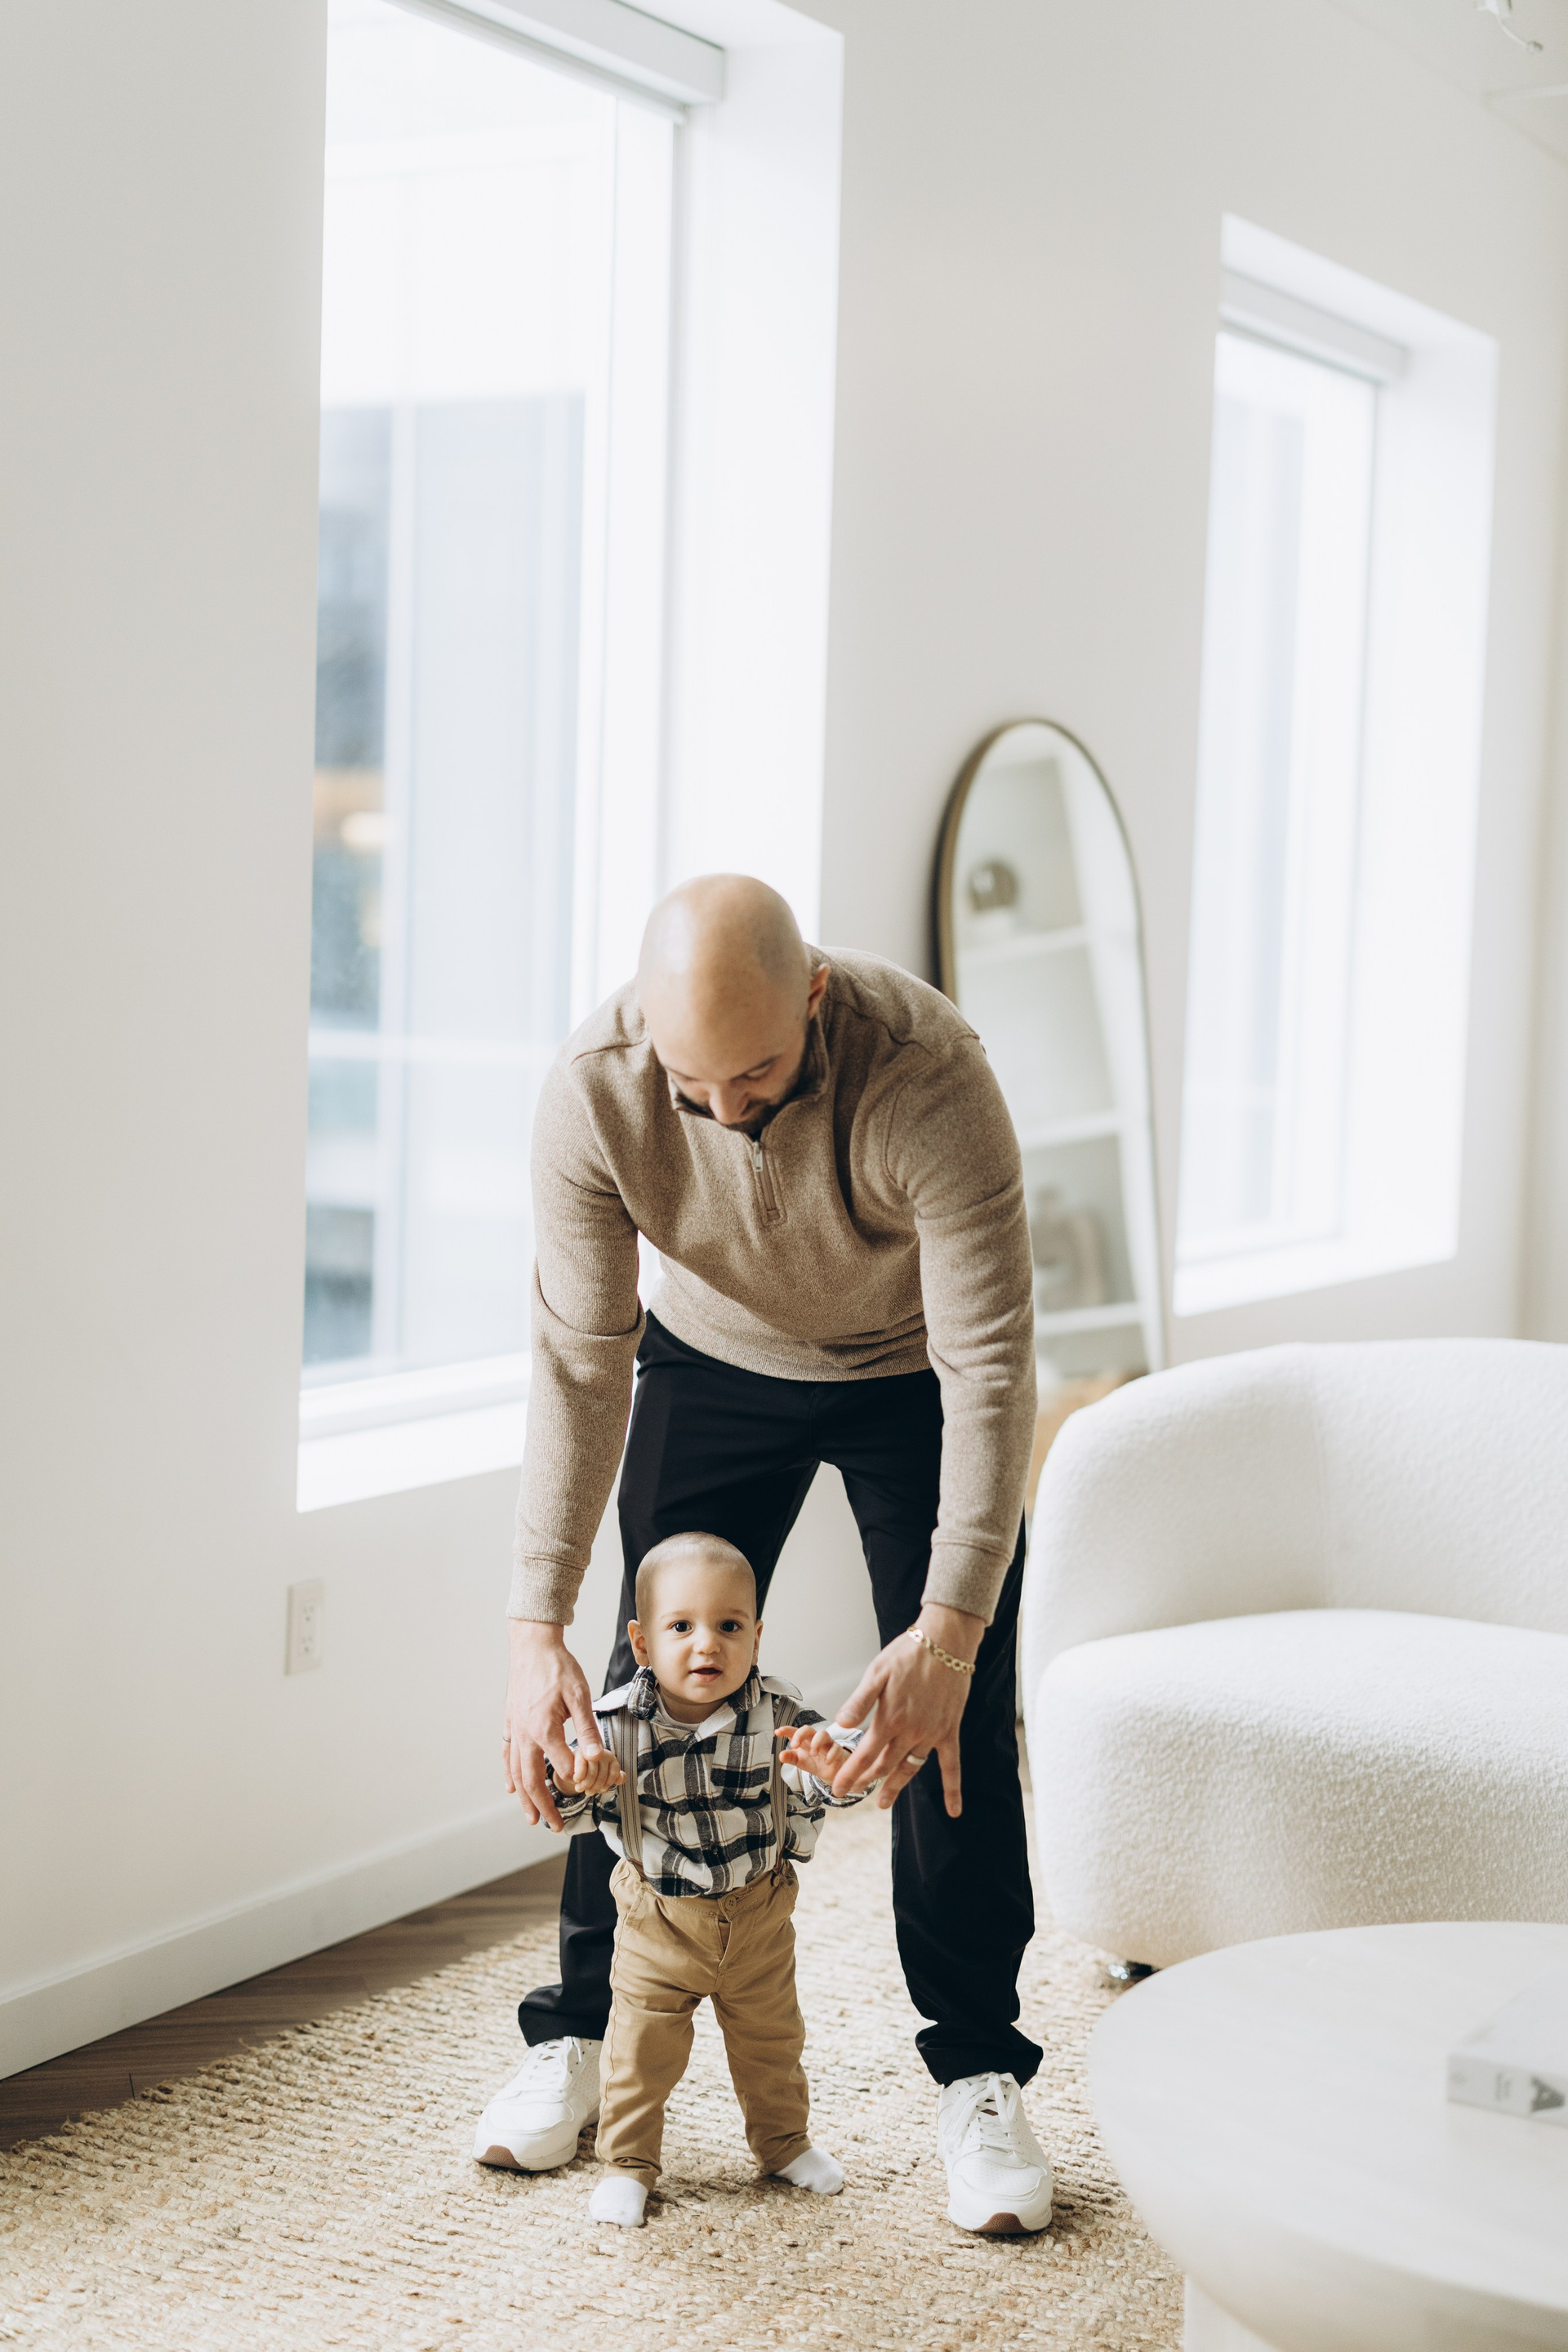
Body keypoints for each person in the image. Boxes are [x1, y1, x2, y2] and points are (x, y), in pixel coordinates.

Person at [474, 874, 1053, 2236]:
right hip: (716, 1358)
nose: (728, 1113)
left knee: (951, 1710)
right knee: (640, 1688)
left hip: (914, 1370)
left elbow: (990, 1368)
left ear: (816, 997)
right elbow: (579, 1360)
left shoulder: (928, 1076)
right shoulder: (595, 1092)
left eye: (758, 1078)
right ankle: (579, 2029)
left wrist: (949, 1630)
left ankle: (978, 2070)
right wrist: (530, 1627)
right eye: (695, 1087)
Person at [546, 1530, 866, 2229]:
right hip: (659, 1924)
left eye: (729, 1626)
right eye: (681, 1627)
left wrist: (834, 1770)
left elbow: (834, 1774)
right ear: (642, 1643)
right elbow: (563, 1809)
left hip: (759, 1918)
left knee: (773, 2044)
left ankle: (784, 2144)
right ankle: (628, 2164)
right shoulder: (611, 1726)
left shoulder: (781, 1713)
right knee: (639, 2055)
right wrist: (574, 1781)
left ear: (756, 1635)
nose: (707, 1646)